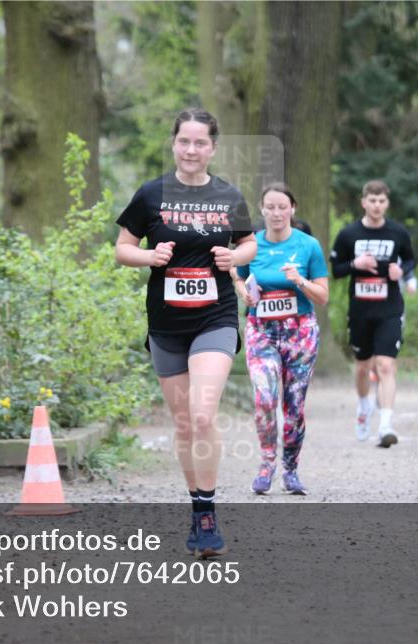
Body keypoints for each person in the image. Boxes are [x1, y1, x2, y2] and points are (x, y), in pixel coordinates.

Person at [115, 108, 257, 557]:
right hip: (166, 324)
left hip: (214, 316)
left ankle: (208, 511)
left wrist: (235, 258)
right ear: (173, 144)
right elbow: (122, 249)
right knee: (182, 423)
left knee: (201, 414)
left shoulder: (228, 195)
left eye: (200, 143)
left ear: (213, 148)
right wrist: (150, 257)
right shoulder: (151, 194)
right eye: (184, 141)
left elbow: (248, 242)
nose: (192, 150)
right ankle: (197, 506)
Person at [232, 183, 329, 495]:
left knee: (294, 407)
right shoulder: (252, 245)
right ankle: (266, 462)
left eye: (282, 207)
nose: (276, 213)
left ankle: (291, 469)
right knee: (263, 399)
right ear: (262, 210)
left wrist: (299, 281)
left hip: (300, 333)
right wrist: (244, 292)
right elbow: (236, 275)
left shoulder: (308, 246)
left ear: (292, 209)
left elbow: (323, 296)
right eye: (270, 207)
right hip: (262, 331)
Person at [330, 180, 415, 448]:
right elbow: (336, 269)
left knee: (386, 365)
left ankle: (386, 424)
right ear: (363, 202)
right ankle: (364, 405)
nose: (377, 205)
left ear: (387, 203)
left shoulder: (398, 233)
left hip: (390, 309)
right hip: (360, 310)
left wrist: (401, 273)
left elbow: (410, 260)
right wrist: (355, 264)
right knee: (363, 366)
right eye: (372, 200)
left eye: (381, 201)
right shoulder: (348, 234)